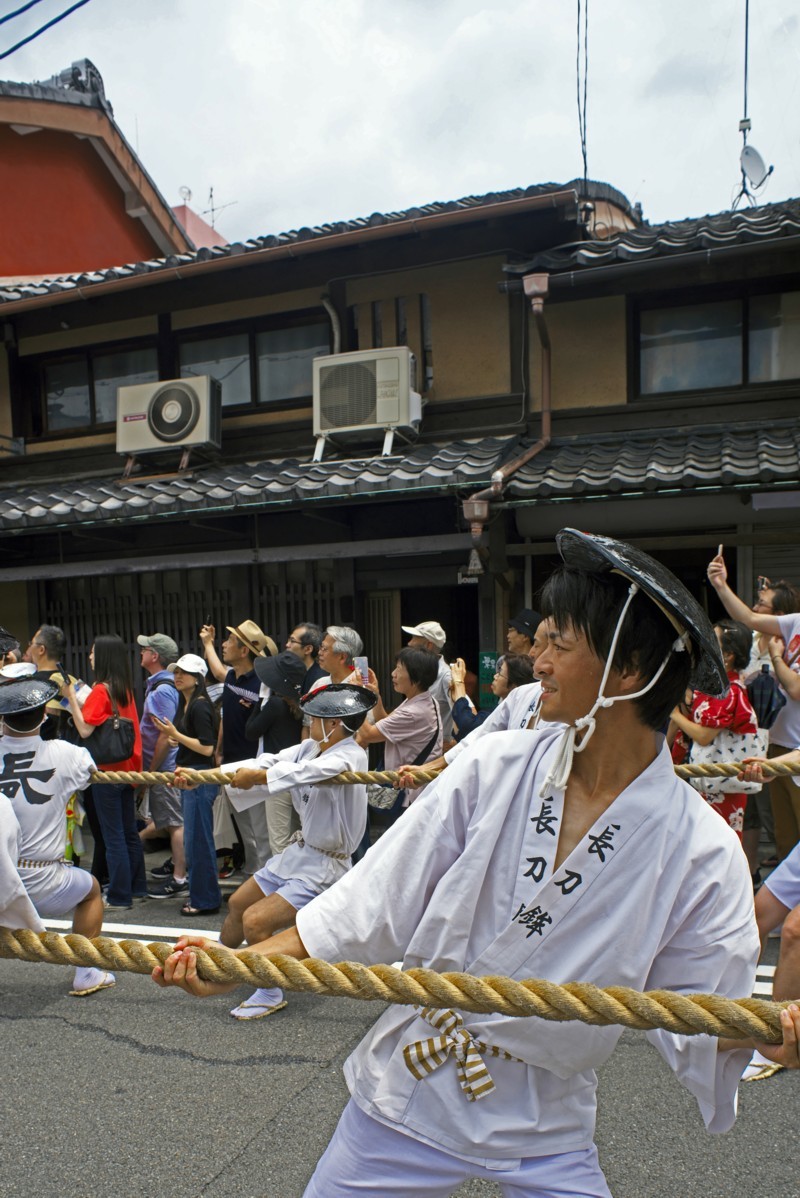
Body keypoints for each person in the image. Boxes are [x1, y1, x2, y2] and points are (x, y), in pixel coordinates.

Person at [154, 529, 800, 1198]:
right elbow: (373, 902)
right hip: (412, 1089)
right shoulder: (493, 769)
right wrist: (241, 966)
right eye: (540, 641)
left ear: (628, 670)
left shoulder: (701, 851)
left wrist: (766, 1037)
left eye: (560, 644)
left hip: (545, 1124)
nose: (537, 662)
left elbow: (702, 1010)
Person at [201, 682, 374, 1020]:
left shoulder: (351, 756)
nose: (309, 723)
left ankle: (269, 990)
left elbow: (305, 773)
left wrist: (260, 777)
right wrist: (207, 775)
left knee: (256, 920)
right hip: (300, 851)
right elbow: (271, 760)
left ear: (335, 724)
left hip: (327, 863)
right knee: (238, 904)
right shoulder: (311, 746)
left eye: (315, 718)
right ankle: (222, 967)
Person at [0, 677, 115, 995]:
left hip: (0, 874)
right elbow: (89, 768)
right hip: (40, 880)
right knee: (91, 890)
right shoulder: (66, 754)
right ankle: (86, 972)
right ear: (44, 717)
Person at [708, 549, 800, 860]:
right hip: (773, 743)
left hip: (798, 750)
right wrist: (720, 584)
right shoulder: (793, 624)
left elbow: (796, 688)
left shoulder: (777, 642)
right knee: (785, 836)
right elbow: (745, 618)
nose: (757, 607)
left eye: (764, 603)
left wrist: (775, 657)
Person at [61, 635, 145, 910]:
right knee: (129, 833)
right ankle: (136, 888)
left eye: (93, 652)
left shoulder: (100, 690)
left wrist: (71, 698)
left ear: (104, 656)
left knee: (113, 837)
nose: (90, 657)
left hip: (106, 774)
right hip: (127, 771)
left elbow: (85, 729)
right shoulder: (125, 688)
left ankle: (120, 896)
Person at [667, 619, 762, 841]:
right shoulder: (712, 687)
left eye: (713, 641)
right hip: (702, 780)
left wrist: (675, 714)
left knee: (718, 843)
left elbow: (703, 735)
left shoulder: (730, 691)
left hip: (722, 786)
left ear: (728, 656)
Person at [200, 619, 276, 877]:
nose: (224, 644)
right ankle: (254, 878)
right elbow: (220, 673)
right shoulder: (233, 676)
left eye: (230, 641)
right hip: (231, 763)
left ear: (245, 650)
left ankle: (263, 881)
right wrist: (219, 750)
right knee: (246, 830)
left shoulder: (263, 682)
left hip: (254, 767)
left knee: (261, 831)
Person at [152, 653, 221, 917]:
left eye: (184, 673)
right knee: (195, 842)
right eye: (176, 672)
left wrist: (175, 735)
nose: (177, 676)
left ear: (198, 678)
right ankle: (203, 896)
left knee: (198, 843)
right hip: (193, 776)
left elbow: (207, 747)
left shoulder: (200, 705)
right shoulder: (189, 702)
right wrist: (176, 739)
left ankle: (204, 900)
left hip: (199, 778)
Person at [357, 647, 442, 819]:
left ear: (416, 677)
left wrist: (356, 698)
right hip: (414, 792)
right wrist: (375, 695)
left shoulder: (413, 712)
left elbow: (368, 735)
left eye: (399, 669)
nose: (393, 674)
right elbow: (387, 725)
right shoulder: (424, 700)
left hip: (409, 796)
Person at [135, 632, 187, 899]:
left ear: (154, 656)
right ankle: (178, 869)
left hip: (164, 766)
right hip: (166, 764)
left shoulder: (161, 689)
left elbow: (165, 735)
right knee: (170, 819)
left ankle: (179, 878)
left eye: (145, 650)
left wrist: (152, 772)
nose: (141, 653)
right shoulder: (166, 685)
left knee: (175, 822)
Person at [245, 649, 306, 854]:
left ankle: (282, 883)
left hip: (278, 776)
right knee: (300, 835)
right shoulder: (301, 705)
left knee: (278, 842)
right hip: (299, 776)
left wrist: (259, 703)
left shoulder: (274, 704)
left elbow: (251, 732)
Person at [449, 653, 534, 741]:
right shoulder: (501, 706)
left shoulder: (509, 711)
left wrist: (458, 683)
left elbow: (469, 726)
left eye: (500, 674)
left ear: (514, 684)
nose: (495, 676)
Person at [401, 621, 452, 734]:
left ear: (428, 645)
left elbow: (466, 712)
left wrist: (455, 742)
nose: (409, 643)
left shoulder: (446, 675)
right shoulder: (419, 673)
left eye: (415, 638)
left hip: (435, 749)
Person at [285, 622, 326, 694]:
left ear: (308, 649)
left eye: (292, 641)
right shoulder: (292, 672)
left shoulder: (319, 680)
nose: (287, 645)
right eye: (288, 640)